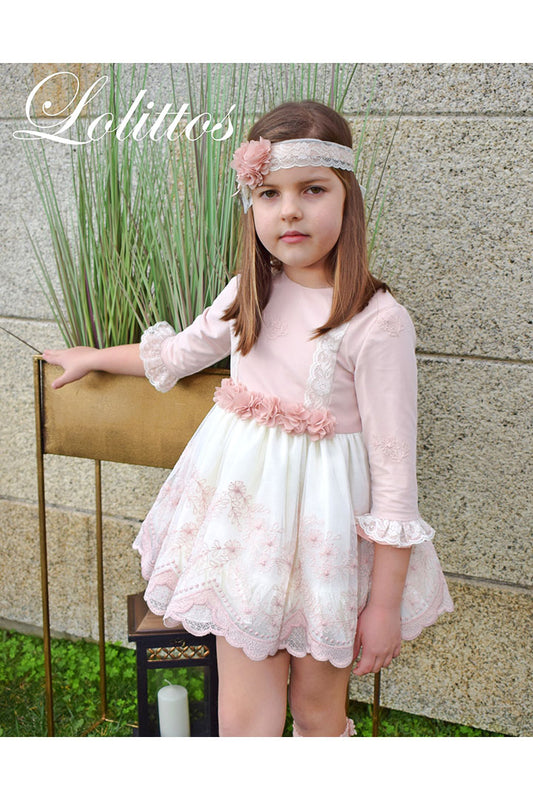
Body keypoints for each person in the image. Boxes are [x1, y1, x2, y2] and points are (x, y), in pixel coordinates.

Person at [42, 100, 453, 737]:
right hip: (244, 541)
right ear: (251, 206)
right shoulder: (248, 293)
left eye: (312, 190)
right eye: (269, 194)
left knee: (316, 712)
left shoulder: (378, 321)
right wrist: (93, 356)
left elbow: (396, 477)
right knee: (243, 719)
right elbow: (177, 354)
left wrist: (383, 605)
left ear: (348, 198)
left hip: (325, 550)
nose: (289, 210)